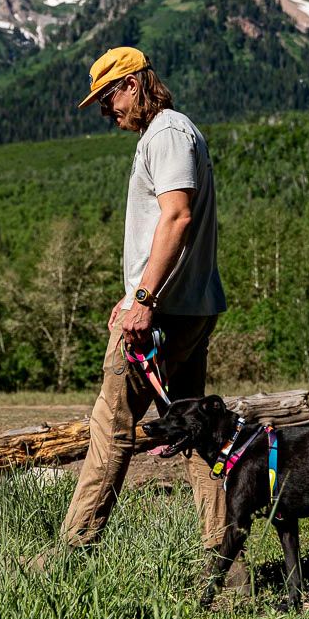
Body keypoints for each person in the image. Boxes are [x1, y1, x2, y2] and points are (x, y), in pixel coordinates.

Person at [60, 46, 232, 561]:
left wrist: (142, 299)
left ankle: (74, 548)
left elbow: (176, 217)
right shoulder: (173, 133)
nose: (105, 110)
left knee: (110, 425)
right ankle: (224, 557)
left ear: (133, 85)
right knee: (194, 431)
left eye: (107, 98)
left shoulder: (166, 134)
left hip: (161, 316)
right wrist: (136, 293)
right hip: (186, 307)